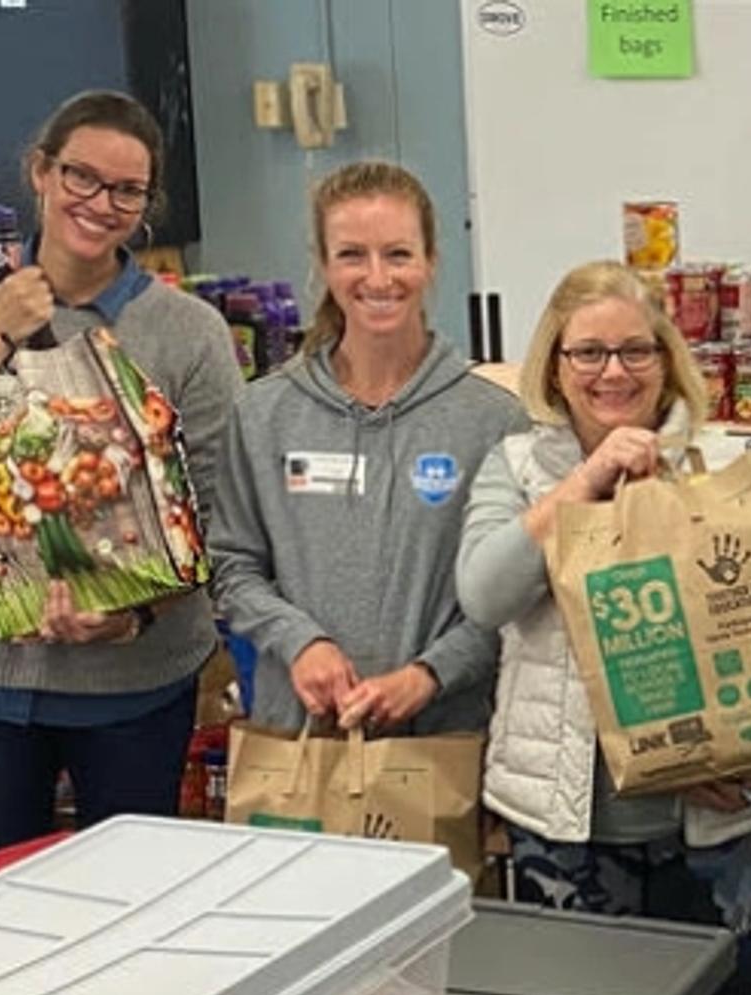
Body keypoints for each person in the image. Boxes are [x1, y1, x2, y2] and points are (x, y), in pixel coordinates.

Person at [0, 89, 243, 856]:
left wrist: (134, 614)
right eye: (81, 176)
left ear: (146, 205)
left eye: (127, 191)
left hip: (135, 686)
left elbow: (221, 511)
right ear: (41, 171)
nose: (100, 204)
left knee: (129, 898)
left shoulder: (188, 333)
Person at [459, 262, 751, 995]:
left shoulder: (728, 464)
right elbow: (485, 595)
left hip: (709, 825)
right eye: (589, 353)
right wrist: (587, 481)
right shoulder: (518, 467)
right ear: (555, 366)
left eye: (636, 351)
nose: (613, 373)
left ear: (667, 359)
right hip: (567, 824)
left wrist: (746, 753)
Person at [210, 161, 520, 744]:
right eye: (352, 255)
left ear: (431, 261)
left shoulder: (493, 421)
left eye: (398, 254)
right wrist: (301, 643)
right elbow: (233, 566)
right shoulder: (263, 414)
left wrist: (431, 674)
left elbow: (515, 593)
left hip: (442, 747)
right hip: (301, 744)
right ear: (323, 265)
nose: (378, 278)